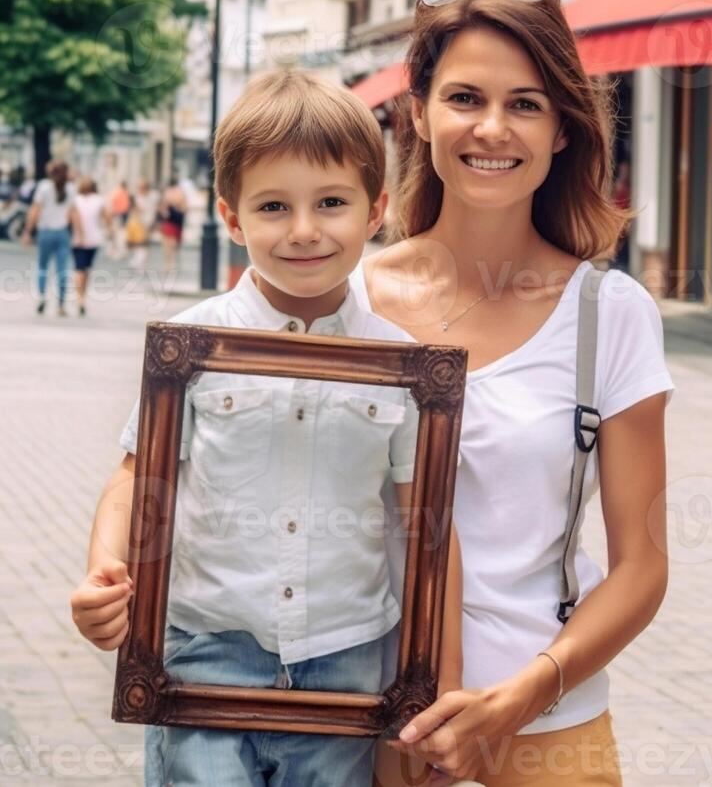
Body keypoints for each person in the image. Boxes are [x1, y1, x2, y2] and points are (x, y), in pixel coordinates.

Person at [70, 70, 463, 787]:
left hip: (347, 660)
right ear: (231, 215)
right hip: (206, 648)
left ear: (376, 210)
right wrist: (105, 572)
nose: (305, 230)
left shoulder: (403, 367)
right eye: (274, 206)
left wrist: (436, 683)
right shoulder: (191, 347)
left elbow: (425, 525)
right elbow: (135, 479)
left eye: (333, 203)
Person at [353, 0, 674, 786]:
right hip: (359, 719)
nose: (493, 128)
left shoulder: (611, 313)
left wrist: (523, 696)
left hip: (546, 728)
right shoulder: (346, 305)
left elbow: (642, 564)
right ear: (417, 114)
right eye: (465, 97)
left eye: (526, 104)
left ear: (563, 128)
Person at [22, 159, 78, 317]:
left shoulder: (44, 186)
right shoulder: (71, 188)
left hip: (45, 232)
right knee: (62, 269)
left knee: (42, 267)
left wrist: (27, 231)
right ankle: (60, 305)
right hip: (62, 233)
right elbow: (72, 213)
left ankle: (41, 297)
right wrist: (78, 234)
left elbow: (35, 210)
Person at [71, 176, 109, 316]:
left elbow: (71, 218)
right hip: (94, 240)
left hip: (77, 240)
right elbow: (107, 218)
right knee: (86, 269)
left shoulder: (75, 200)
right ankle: (83, 297)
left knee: (78, 269)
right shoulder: (99, 200)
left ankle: (79, 298)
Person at [128, 178, 160, 271]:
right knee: (139, 243)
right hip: (139, 223)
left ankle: (140, 262)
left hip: (146, 222)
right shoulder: (139, 196)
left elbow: (154, 209)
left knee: (143, 243)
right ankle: (139, 261)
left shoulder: (152, 196)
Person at [158, 176, 187, 273]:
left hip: (169, 220)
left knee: (167, 244)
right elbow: (185, 208)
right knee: (175, 244)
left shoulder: (167, 192)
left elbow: (162, 208)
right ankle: (173, 263)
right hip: (177, 221)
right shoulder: (180, 192)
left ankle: (168, 264)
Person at [107, 180, 131, 259]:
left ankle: (117, 249)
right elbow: (128, 206)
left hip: (117, 214)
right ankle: (122, 248)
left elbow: (112, 204)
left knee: (117, 232)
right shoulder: (126, 193)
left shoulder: (117, 193)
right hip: (124, 215)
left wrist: (112, 213)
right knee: (122, 232)